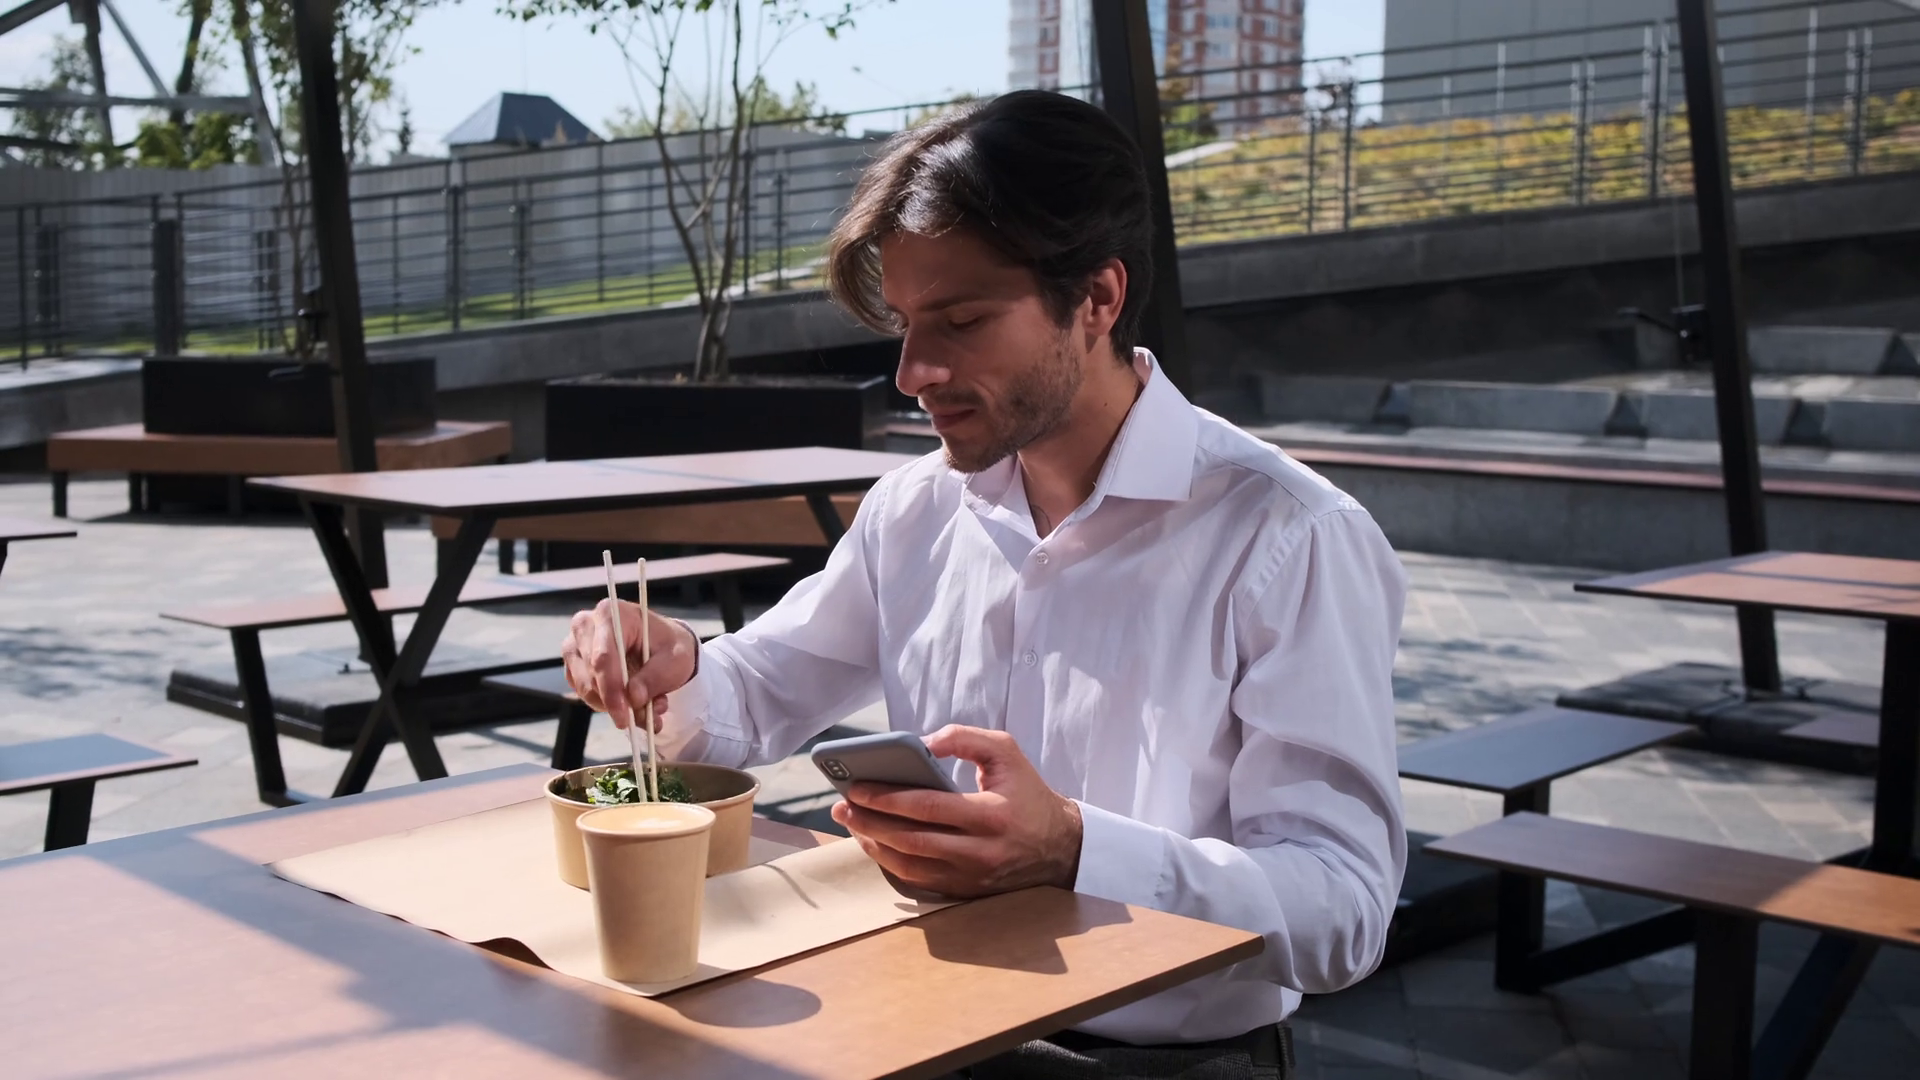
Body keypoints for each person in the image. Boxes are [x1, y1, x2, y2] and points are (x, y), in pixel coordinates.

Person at [561, 89, 1407, 1080]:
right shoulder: (914, 510)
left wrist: (1076, 849)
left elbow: (1344, 910)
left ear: (1097, 300)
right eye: (906, 324)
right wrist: (673, 665)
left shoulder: (1287, 536)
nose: (913, 371)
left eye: (961, 321)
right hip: (915, 1027)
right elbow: (756, 694)